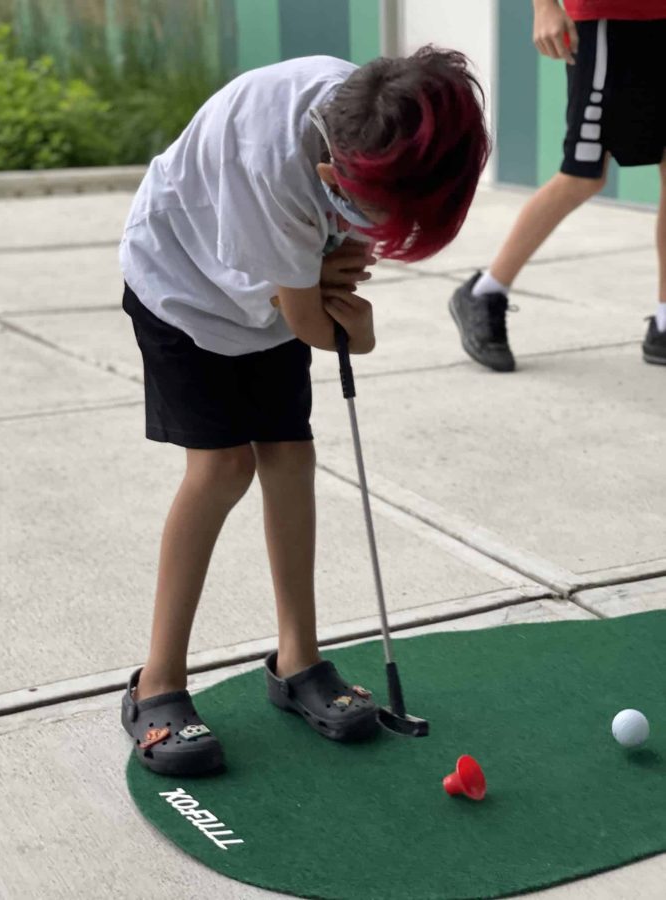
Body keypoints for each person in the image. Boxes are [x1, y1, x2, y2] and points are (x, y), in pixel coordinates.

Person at [119, 47, 490, 775]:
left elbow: (325, 279)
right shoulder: (272, 164)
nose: (372, 230)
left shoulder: (378, 118)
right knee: (222, 468)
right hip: (182, 287)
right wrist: (353, 326)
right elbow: (314, 320)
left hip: (263, 300)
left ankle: (297, 661)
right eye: (370, 212)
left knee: (290, 457)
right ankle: (155, 682)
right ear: (331, 174)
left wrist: (319, 274)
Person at [449, 0, 666, 372]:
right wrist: (544, 6)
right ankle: (484, 291)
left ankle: (664, 322)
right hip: (605, 20)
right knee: (583, 173)